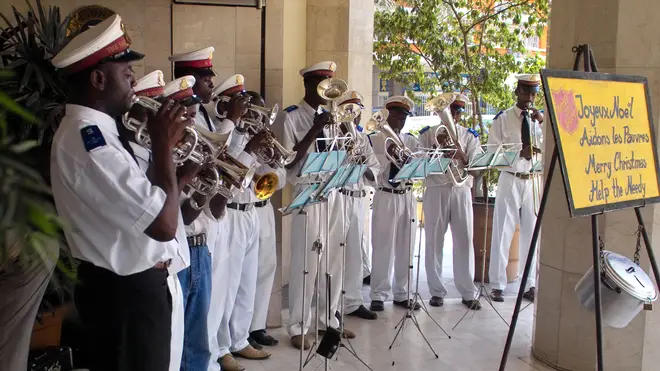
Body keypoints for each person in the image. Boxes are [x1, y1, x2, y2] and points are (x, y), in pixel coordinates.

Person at [49, 14, 193, 371]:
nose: (133, 84)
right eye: (127, 75)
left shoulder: (103, 133)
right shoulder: (90, 143)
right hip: (125, 298)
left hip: (135, 292)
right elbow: (163, 225)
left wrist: (178, 166)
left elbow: (151, 201)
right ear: (98, 79)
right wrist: (161, 146)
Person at [280, 61, 355, 350]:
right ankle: (299, 326)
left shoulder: (334, 117)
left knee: (334, 260)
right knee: (306, 262)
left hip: (334, 191)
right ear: (308, 86)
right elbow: (288, 163)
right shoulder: (292, 118)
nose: (328, 93)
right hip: (308, 194)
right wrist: (314, 129)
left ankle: (329, 320)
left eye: (331, 86)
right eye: (323, 86)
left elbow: (344, 156)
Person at [209, 75, 273, 371]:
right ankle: (220, 348)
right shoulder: (225, 133)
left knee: (246, 282)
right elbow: (225, 167)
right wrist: (249, 146)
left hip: (250, 212)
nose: (250, 115)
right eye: (245, 108)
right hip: (230, 212)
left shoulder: (248, 134)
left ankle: (240, 338)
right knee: (226, 284)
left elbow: (257, 173)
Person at [168, 47, 226, 371]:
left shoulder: (201, 130)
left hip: (201, 248)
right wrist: (192, 176)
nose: (191, 116)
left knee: (199, 342)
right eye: (184, 110)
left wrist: (217, 186)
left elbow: (208, 209)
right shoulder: (168, 151)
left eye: (192, 110)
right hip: (181, 250)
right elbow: (183, 214)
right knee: (180, 345)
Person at [418, 93, 482, 310]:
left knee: (464, 240)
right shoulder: (427, 135)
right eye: (448, 111)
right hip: (436, 189)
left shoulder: (469, 136)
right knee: (433, 240)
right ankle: (436, 291)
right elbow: (420, 165)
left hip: (461, 190)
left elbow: (478, 170)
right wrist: (439, 151)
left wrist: (460, 154)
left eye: (456, 112)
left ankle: (468, 292)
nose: (452, 116)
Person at [488, 74, 544, 303]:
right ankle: (497, 284)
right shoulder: (503, 119)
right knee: (503, 231)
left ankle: (529, 283)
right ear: (517, 92)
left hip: (532, 179)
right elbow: (492, 153)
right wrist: (518, 154)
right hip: (510, 177)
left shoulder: (540, 120)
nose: (530, 98)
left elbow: (551, 146)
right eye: (526, 92)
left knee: (532, 234)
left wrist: (541, 122)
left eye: (533, 93)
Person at [368, 96, 420, 312]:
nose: (399, 119)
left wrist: (409, 163)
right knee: (383, 246)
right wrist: (388, 158)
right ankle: (378, 294)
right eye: (395, 114)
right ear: (387, 115)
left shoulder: (412, 142)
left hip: (407, 195)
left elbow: (418, 171)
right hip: (386, 194)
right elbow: (370, 174)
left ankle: (403, 293)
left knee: (406, 247)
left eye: (403, 115)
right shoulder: (374, 139)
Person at [334, 90, 380, 321]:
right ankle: (333, 305)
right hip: (341, 197)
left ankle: (353, 301)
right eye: (349, 110)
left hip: (359, 197)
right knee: (336, 252)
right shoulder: (333, 135)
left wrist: (364, 165)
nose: (354, 115)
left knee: (355, 252)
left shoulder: (363, 138)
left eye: (357, 110)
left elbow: (375, 170)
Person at [245, 90, 286, 347]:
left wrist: (272, 166)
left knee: (266, 268)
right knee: (244, 274)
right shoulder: (236, 138)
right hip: (244, 209)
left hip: (266, 207)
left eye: (263, 113)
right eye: (255, 112)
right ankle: (240, 331)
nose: (260, 118)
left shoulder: (268, 140)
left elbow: (281, 175)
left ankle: (257, 326)